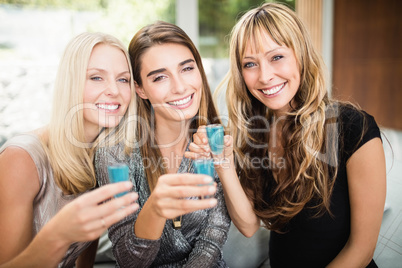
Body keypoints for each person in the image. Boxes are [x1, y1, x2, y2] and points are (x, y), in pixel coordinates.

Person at [186, 3, 386, 268]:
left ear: (300, 54)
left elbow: (361, 250)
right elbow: (248, 225)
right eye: (250, 64)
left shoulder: (353, 128)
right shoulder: (255, 135)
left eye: (276, 57)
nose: (265, 76)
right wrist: (223, 162)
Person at [95, 21, 231, 267]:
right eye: (159, 77)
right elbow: (130, 261)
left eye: (187, 69)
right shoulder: (114, 155)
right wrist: (155, 210)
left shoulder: (214, 143)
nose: (180, 87)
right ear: (140, 89)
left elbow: (212, 241)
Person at [0, 32, 139, 268]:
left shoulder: (102, 154)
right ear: (71, 82)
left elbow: (88, 241)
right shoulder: (21, 157)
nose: (114, 91)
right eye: (96, 77)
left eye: (123, 80)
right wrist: (58, 235)